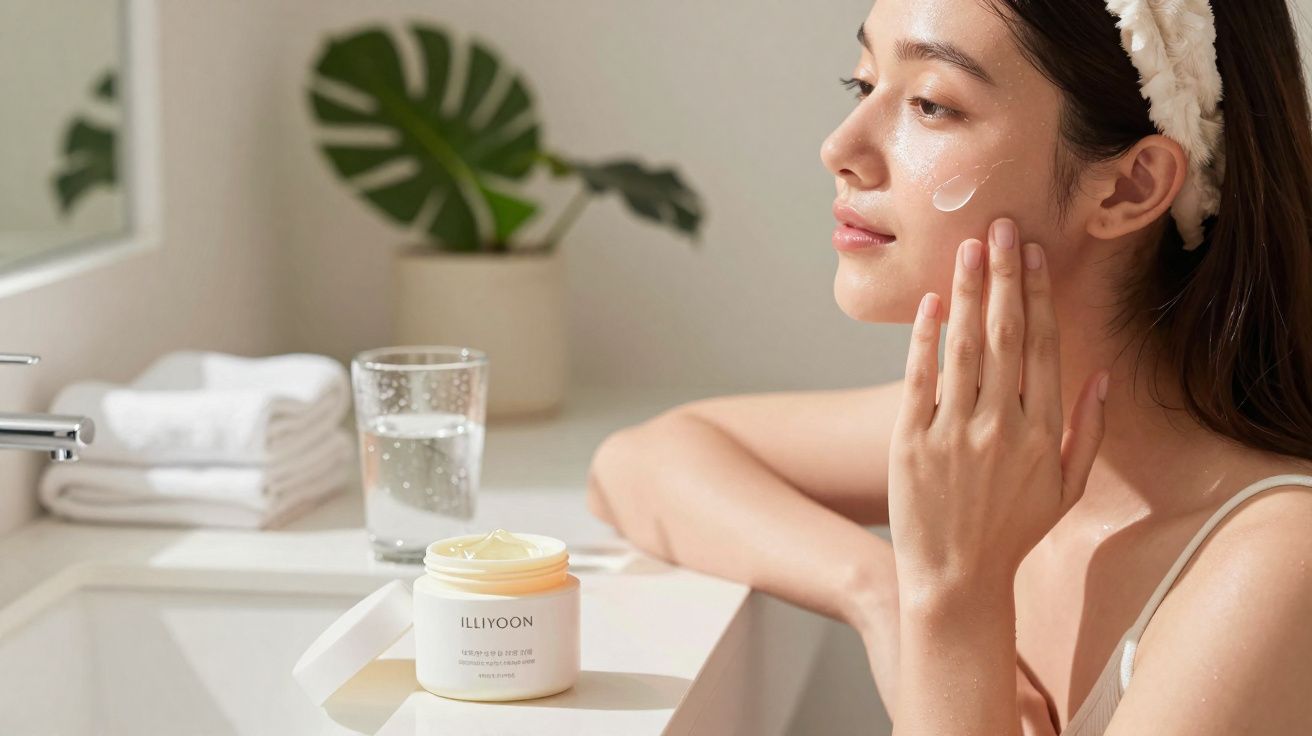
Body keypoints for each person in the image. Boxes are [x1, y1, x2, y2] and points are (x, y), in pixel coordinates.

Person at [585, 0, 1312, 733]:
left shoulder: (1278, 567)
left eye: (932, 104)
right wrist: (880, 595)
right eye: (864, 83)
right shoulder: (990, 441)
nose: (840, 147)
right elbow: (639, 463)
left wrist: (955, 602)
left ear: (1132, 186)